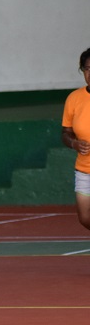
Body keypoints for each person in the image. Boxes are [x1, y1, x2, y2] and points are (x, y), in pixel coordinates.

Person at [61, 47, 90, 231]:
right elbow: (66, 132)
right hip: (84, 169)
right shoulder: (74, 98)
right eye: (88, 68)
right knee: (85, 217)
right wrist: (74, 143)